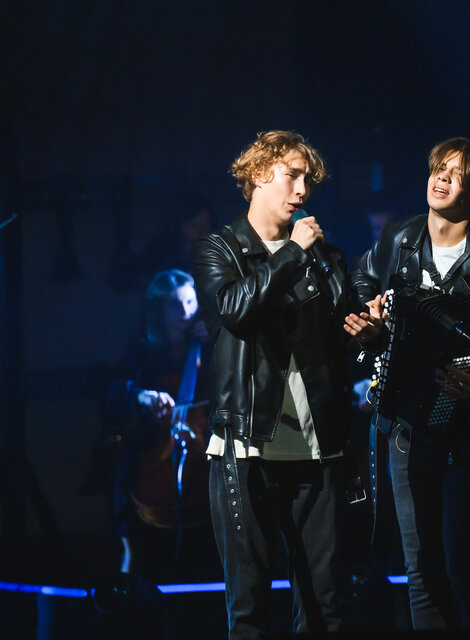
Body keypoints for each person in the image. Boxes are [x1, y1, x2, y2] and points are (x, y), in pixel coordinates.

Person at [344, 137, 470, 632]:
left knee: (466, 567)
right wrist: (370, 319)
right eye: (438, 168)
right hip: (406, 426)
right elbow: (362, 283)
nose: (442, 178)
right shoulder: (400, 238)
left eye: (457, 173)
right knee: (421, 569)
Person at [192, 130, 356, 639]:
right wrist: (290, 255)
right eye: (292, 176)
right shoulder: (220, 249)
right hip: (247, 448)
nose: (303, 190)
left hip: (318, 446)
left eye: (308, 180)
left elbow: (341, 335)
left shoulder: (324, 256)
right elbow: (235, 311)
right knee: (250, 606)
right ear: (260, 174)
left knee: (325, 603)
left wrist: (368, 328)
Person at [107, 268, 216, 583]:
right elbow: (116, 390)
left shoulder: (210, 342)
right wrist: (141, 395)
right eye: (175, 305)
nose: (185, 311)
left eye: (191, 303)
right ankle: (129, 562)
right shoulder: (143, 350)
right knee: (123, 471)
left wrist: (221, 338)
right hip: (155, 442)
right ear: (159, 310)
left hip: (205, 440)